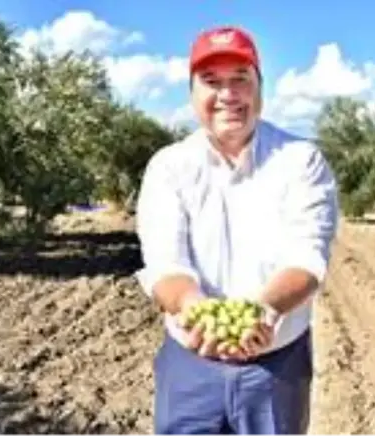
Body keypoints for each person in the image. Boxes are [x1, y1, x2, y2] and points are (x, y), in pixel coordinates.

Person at [134, 24, 339, 436]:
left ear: (260, 88)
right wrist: (193, 308)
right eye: (211, 82)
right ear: (192, 93)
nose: (228, 95)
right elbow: (164, 262)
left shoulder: (301, 162)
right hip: (190, 366)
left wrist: (264, 310)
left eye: (240, 80)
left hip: (275, 369)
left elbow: (307, 257)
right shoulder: (169, 166)